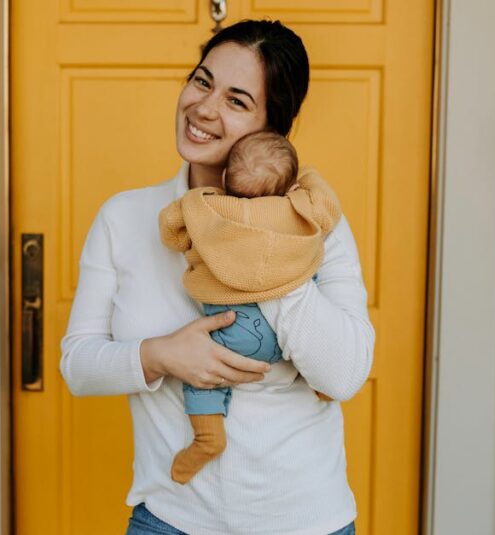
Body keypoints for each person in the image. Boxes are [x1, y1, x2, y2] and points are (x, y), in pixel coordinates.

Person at [60, 19, 374, 535]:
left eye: (237, 100)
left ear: (273, 126)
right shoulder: (126, 217)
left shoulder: (314, 223)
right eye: (202, 82)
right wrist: (162, 354)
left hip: (307, 522)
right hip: (170, 520)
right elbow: (78, 364)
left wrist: (266, 245)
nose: (204, 108)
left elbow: (343, 374)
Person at [158, 130, 341, 484]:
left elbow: (172, 232)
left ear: (226, 177)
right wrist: (307, 177)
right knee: (308, 280)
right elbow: (328, 208)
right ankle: (321, 381)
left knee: (204, 378)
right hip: (286, 333)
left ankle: (208, 437)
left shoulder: (209, 207)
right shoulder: (297, 207)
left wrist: (196, 200)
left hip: (232, 331)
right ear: (289, 187)